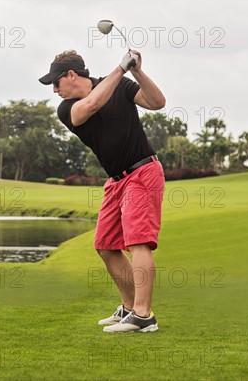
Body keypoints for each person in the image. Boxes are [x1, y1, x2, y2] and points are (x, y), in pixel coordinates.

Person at [39, 49, 166, 333]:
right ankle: (130, 307)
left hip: (142, 172)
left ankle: (144, 316)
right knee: (106, 245)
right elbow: (93, 104)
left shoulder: (120, 83)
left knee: (138, 243)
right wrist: (120, 68)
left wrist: (137, 72)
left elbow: (157, 102)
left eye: (55, 83)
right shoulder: (66, 108)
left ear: (71, 75)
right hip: (116, 180)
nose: (55, 90)